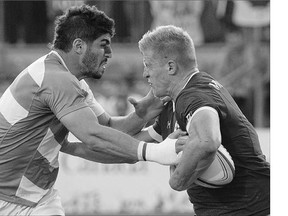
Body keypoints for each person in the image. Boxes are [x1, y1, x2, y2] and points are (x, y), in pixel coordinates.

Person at [0, 6, 185, 215]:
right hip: (6, 200)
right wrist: (157, 152)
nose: (110, 53)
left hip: (36, 198)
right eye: (103, 45)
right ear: (79, 46)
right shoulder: (56, 79)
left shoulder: (67, 78)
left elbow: (107, 128)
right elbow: (93, 136)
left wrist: (143, 116)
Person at [137, 25, 270, 216]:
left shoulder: (193, 96)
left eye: (148, 65)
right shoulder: (174, 102)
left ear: (171, 67)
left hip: (253, 208)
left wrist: (177, 180)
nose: (145, 74)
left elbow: (208, 141)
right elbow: (133, 144)